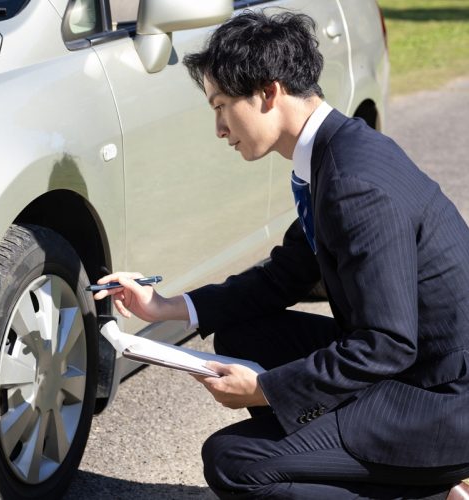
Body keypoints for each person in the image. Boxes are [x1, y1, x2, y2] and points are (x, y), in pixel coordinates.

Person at [93, 10, 469, 499]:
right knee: (242, 332)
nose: (219, 128)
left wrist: (267, 390)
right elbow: (282, 277)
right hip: (417, 369)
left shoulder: (354, 185)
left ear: (269, 93)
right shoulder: (336, 154)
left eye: (222, 105)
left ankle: (433, 490)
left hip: (438, 402)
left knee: (233, 462)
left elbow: (387, 344)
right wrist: (166, 306)